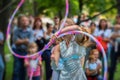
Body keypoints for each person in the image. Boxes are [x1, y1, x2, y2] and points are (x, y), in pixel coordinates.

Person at [12, 15, 34, 80]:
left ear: (28, 22)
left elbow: (30, 43)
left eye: (26, 20)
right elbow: (16, 42)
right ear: (20, 22)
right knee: (17, 68)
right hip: (17, 51)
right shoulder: (16, 30)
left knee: (24, 69)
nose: (25, 22)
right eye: (23, 20)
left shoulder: (30, 31)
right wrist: (25, 40)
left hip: (25, 52)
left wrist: (20, 41)